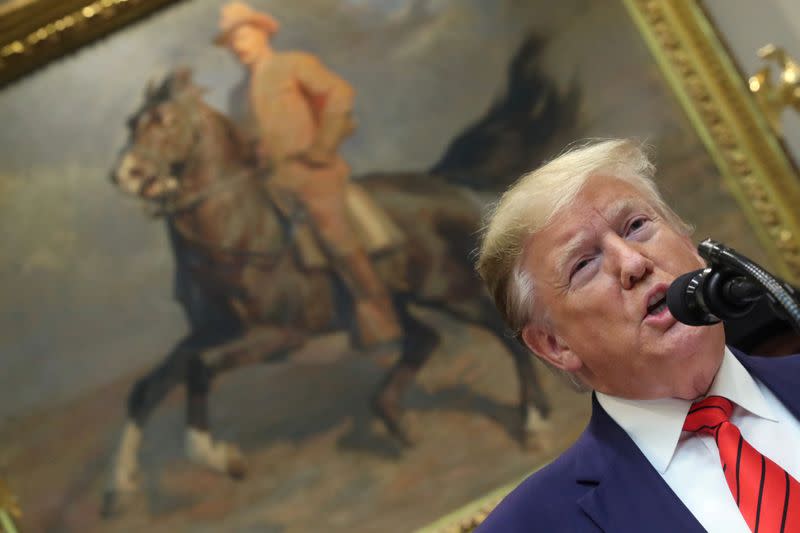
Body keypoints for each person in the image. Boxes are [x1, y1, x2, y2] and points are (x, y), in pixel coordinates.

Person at [475, 139, 800, 532]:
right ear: (554, 344)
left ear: (690, 245)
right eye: (583, 264)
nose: (633, 262)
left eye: (636, 226)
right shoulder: (530, 525)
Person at [215, 2, 401, 348]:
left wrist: (323, 147)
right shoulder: (237, 96)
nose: (238, 47)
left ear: (262, 33)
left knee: (333, 236)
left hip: (314, 174)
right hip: (272, 185)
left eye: (243, 36)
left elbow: (339, 94)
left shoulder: (292, 65)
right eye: (231, 42)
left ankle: (380, 315)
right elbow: (244, 145)